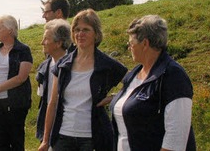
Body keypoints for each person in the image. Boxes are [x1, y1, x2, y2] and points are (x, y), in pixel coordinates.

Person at [39, 9, 127, 151]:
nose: (80, 34)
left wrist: (114, 97)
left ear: (96, 34)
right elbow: (53, 102)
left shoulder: (106, 64)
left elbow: (133, 85)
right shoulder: (63, 65)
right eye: (77, 30)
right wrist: (45, 139)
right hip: (63, 136)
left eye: (86, 30)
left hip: (93, 138)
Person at [110, 15, 196, 150]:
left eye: (131, 44)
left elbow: (176, 138)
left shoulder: (173, 75)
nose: (129, 48)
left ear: (145, 43)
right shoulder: (134, 74)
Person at [0, 15, 33, 151]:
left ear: (10, 30)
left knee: (16, 142)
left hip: (15, 104)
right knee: (0, 143)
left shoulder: (23, 50)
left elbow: (21, 77)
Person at [35, 19, 72, 142]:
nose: (42, 42)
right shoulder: (43, 68)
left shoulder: (73, 66)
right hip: (47, 124)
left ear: (58, 43)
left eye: (46, 39)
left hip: (67, 126)